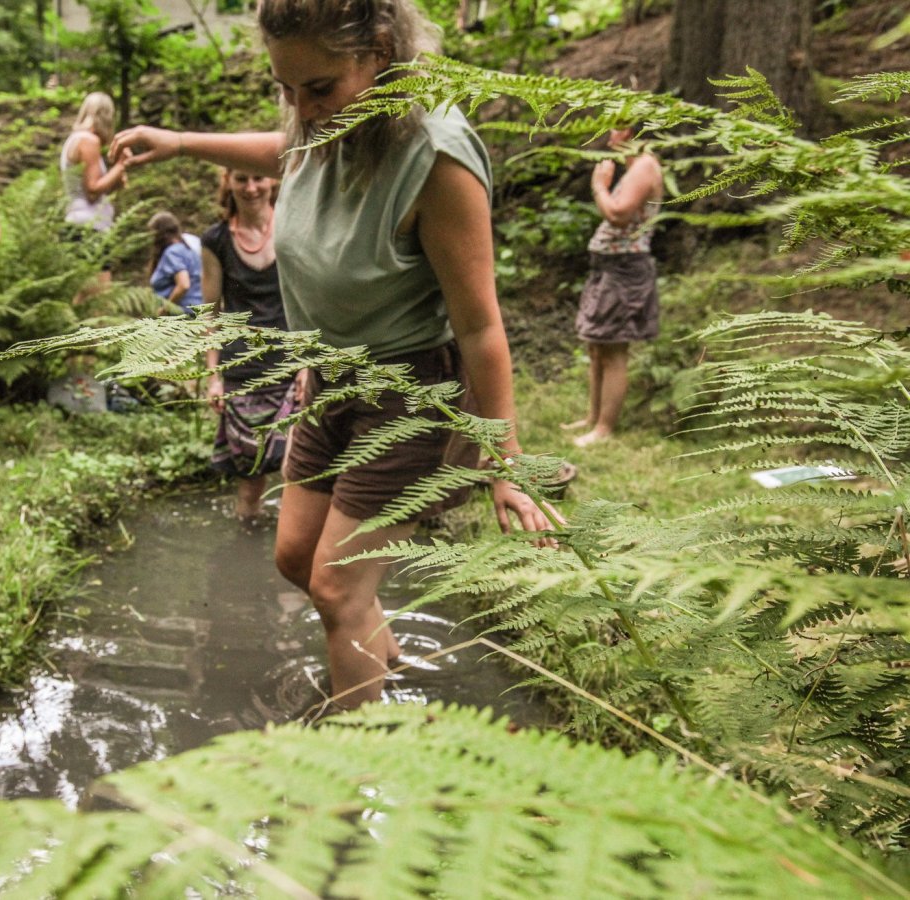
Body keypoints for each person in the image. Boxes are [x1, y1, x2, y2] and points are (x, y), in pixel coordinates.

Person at [112, 0, 558, 709]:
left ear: (381, 50)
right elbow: (286, 147)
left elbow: (481, 329)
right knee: (296, 558)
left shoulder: (435, 157)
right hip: (327, 381)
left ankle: (350, 778)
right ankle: (382, 662)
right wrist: (178, 142)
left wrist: (508, 466)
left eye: (317, 89)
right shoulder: (326, 117)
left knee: (336, 584)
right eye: (285, 90)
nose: (303, 110)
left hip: (412, 395)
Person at [203, 168, 297, 521]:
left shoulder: (294, 226)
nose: (251, 187)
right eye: (241, 179)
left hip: (294, 367)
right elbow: (210, 314)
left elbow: (314, 299)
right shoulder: (215, 241)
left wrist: (309, 364)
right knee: (250, 482)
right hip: (242, 372)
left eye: (258, 178)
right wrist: (214, 376)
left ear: (272, 179)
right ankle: (246, 550)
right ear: (227, 182)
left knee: (297, 472)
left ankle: (291, 558)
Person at [565, 124, 662, 448]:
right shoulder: (634, 167)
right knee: (597, 347)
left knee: (614, 349)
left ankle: (604, 429)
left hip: (625, 270)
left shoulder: (646, 164)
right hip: (608, 267)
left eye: (617, 128)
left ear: (635, 132)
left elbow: (619, 214)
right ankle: (592, 418)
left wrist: (598, 187)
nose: (609, 136)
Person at [60, 91, 129, 284]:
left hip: (79, 225)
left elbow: (93, 188)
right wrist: (122, 164)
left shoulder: (74, 140)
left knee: (84, 298)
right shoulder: (89, 141)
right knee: (98, 299)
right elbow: (92, 190)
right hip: (89, 228)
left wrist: (115, 180)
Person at [147, 211, 203, 316]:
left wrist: (166, 308)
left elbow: (184, 284)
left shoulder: (172, 252)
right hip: (197, 310)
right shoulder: (188, 250)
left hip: (182, 314)